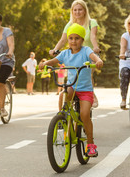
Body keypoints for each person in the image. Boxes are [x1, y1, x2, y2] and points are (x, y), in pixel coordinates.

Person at [40, 23, 103, 157]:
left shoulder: (86, 51)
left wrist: (98, 61)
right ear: (68, 40)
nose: (73, 41)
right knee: (64, 93)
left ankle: (90, 144)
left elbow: (94, 57)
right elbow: (54, 60)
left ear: (82, 40)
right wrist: (45, 63)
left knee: (85, 114)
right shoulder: (65, 53)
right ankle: (62, 116)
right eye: (71, 38)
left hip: (85, 90)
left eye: (77, 38)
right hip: (72, 86)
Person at [49, 0, 100, 108]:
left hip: (89, 54)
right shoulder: (70, 24)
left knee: (86, 72)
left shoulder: (91, 23)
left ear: (85, 11)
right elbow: (63, 40)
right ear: (72, 12)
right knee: (72, 75)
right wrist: (55, 49)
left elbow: (93, 36)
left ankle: (91, 94)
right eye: (75, 10)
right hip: (74, 54)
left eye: (80, 10)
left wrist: (95, 47)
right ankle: (65, 113)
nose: (77, 12)